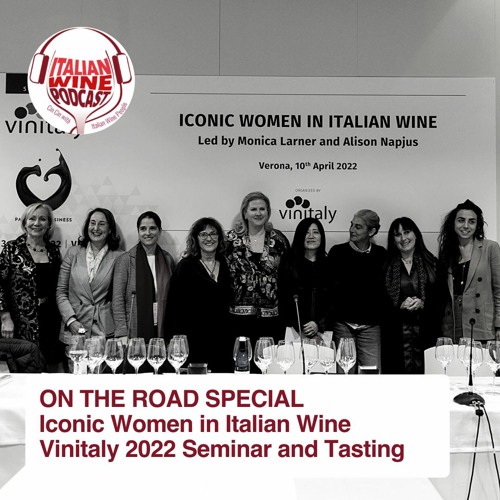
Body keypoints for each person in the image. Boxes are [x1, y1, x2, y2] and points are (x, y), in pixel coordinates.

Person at [0, 203, 63, 371]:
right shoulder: (12, 249)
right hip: (20, 323)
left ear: (49, 224)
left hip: (50, 321)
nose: (37, 223)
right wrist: (5, 317)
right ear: (24, 223)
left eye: (42, 219)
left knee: (48, 369)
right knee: (24, 370)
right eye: (32, 218)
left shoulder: (53, 251)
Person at [166, 217, 233, 372]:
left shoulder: (227, 264)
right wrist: (173, 340)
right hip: (194, 342)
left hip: (223, 341)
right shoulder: (185, 267)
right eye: (203, 234)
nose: (209, 238)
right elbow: (173, 307)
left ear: (219, 237)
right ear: (196, 238)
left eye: (213, 233)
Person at [226, 191, 289, 354]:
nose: (258, 213)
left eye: (262, 209)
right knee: (241, 363)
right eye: (253, 209)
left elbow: (287, 277)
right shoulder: (230, 240)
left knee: (268, 364)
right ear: (245, 213)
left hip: (272, 319)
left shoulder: (279, 240)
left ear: (268, 212)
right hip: (238, 319)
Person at [327, 209, 387, 373]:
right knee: (344, 374)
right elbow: (329, 289)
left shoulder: (381, 254)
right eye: (352, 225)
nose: (352, 230)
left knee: (371, 375)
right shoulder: (337, 252)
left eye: (358, 227)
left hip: (371, 327)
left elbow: (385, 291)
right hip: (343, 325)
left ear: (371, 231)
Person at [56, 208, 123, 351]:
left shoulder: (119, 257)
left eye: (101, 224)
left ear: (110, 229)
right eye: (92, 223)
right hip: (75, 327)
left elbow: (120, 298)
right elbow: (61, 292)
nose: (96, 228)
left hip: (103, 329)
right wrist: (71, 320)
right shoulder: (73, 253)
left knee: (101, 364)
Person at [382, 217, 440, 374]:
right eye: (398, 235)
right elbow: (380, 302)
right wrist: (399, 305)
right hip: (395, 335)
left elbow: (440, 299)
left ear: (416, 235)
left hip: (426, 333)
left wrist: (423, 303)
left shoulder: (432, 263)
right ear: (393, 240)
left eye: (407, 232)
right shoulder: (385, 266)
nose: (403, 238)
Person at [438, 199, 500, 343]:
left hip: (482, 323)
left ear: (477, 225)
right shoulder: (447, 251)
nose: (466, 226)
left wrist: (499, 324)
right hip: (454, 323)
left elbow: (499, 290)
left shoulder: (490, 248)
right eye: (461, 220)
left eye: (471, 221)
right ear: (453, 223)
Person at [112, 211, 175, 346]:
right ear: (138, 231)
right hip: (133, 331)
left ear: (159, 231)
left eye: (152, 228)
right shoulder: (125, 260)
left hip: (163, 329)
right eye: (143, 229)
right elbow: (117, 300)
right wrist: (122, 333)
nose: (148, 233)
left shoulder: (168, 259)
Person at [278, 217, 330, 342]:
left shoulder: (329, 264)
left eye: (315, 232)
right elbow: (283, 297)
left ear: (322, 236)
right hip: (293, 331)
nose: (311, 236)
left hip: (322, 332)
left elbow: (333, 300)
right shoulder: (288, 263)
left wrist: (318, 324)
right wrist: (300, 325)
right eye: (306, 232)